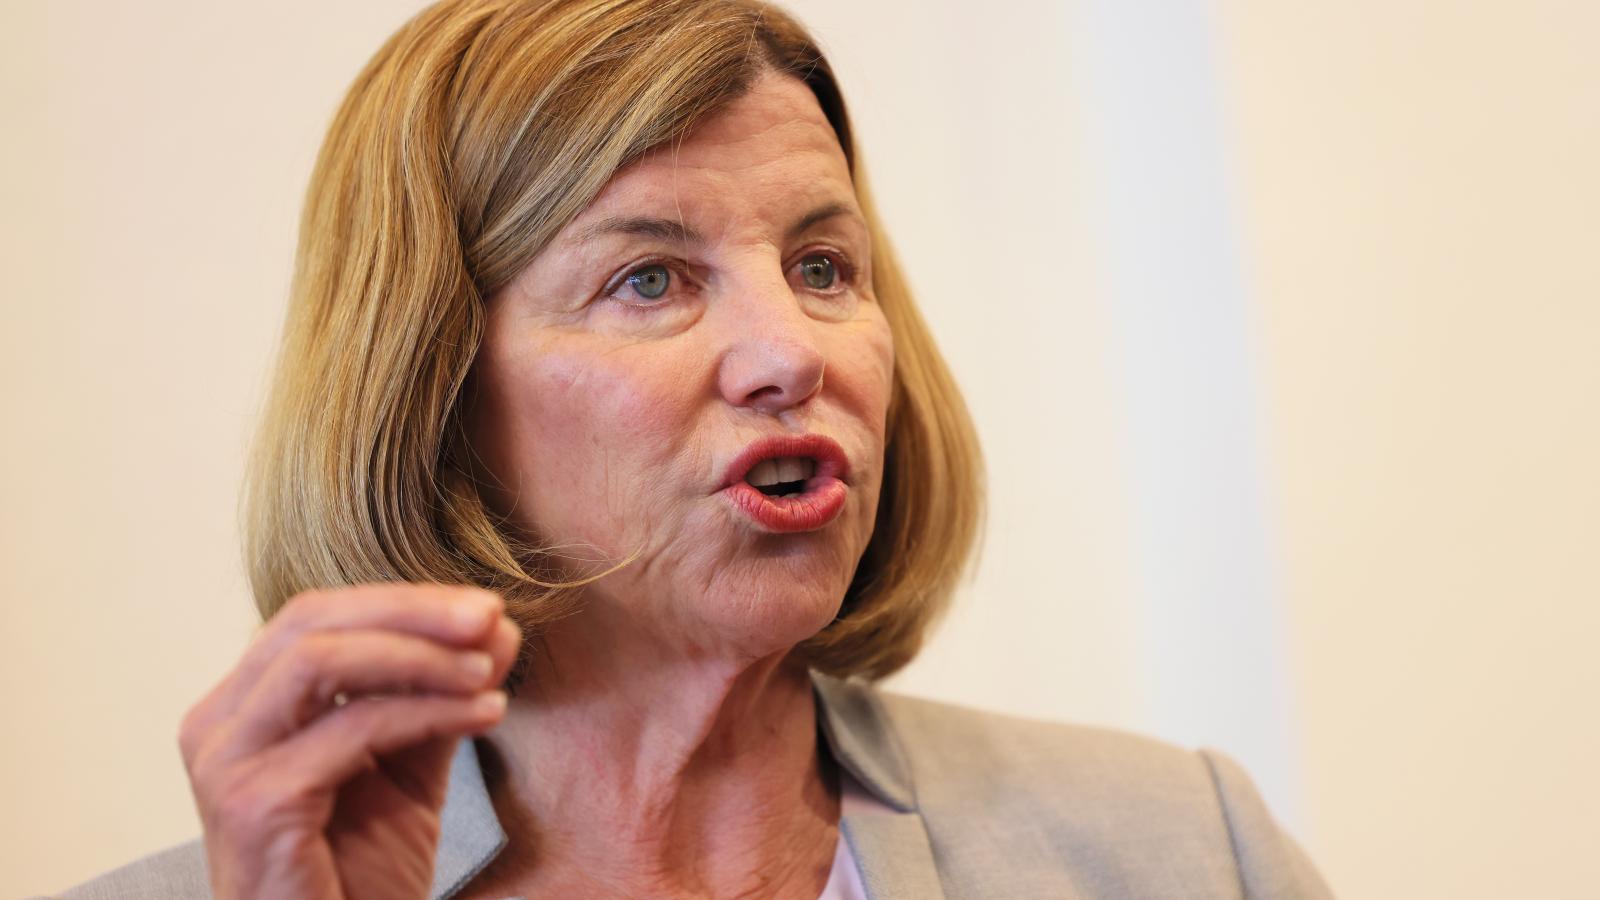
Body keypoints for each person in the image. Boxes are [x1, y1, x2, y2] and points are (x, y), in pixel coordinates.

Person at [55, 0, 1333, 897]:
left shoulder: (1185, 852)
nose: (792, 352)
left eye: (822, 266)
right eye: (650, 279)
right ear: (431, 383)